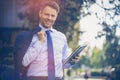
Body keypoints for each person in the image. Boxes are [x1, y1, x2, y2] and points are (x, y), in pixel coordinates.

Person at [14, 1, 79, 80]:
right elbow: (24, 63)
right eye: (47, 14)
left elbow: (64, 64)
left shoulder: (61, 37)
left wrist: (72, 61)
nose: (49, 18)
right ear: (40, 13)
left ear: (56, 17)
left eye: (53, 16)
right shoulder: (29, 36)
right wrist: (39, 42)